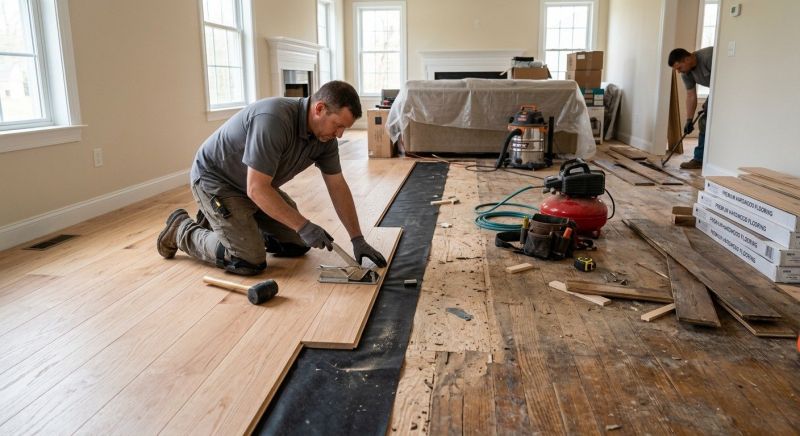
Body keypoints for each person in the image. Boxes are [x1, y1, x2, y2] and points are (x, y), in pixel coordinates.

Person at [156, 80, 387, 276]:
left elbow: (337, 186)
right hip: (217, 181)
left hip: (255, 187)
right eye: (338, 125)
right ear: (319, 109)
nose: (340, 134)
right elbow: (256, 189)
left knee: (297, 244)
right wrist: (303, 225)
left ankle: (232, 225)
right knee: (248, 260)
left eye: (344, 128)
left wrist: (357, 238)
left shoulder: (324, 140)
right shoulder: (274, 120)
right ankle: (181, 229)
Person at [668, 46, 713, 169]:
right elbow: (691, 95)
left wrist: (709, 102)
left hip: (728, 87)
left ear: (687, 59)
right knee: (704, 122)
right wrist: (689, 120)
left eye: (679, 68)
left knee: (705, 121)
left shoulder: (709, 57)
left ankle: (703, 159)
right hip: (716, 89)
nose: (679, 72)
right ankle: (700, 159)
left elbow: (723, 81)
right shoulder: (686, 73)